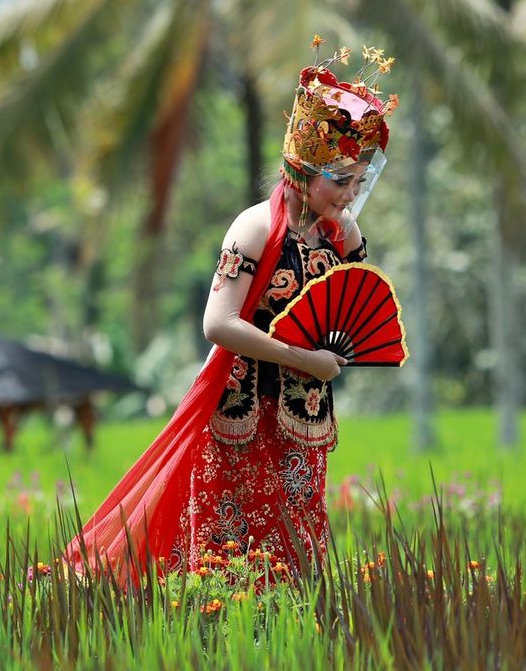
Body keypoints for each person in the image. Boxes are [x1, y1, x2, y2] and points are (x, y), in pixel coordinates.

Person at [68, 40, 399, 579]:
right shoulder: (253, 227)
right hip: (241, 414)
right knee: (232, 551)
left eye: (358, 182)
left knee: (298, 550)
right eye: (339, 180)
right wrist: (302, 357)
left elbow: (356, 308)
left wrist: (321, 359)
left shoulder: (341, 236)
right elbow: (217, 324)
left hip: (303, 417)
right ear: (302, 167)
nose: (349, 193)